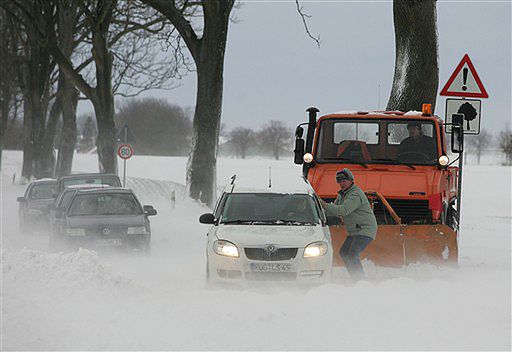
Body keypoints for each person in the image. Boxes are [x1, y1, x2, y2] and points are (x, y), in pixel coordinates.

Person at [319, 168, 377, 280]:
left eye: (344, 180)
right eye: (339, 181)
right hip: (355, 230)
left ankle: (360, 279)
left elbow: (343, 210)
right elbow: (333, 210)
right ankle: (356, 277)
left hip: (365, 230)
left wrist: (324, 204)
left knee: (352, 254)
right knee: (344, 252)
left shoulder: (355, 194)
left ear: (351, 180)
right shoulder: (342, 195)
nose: (342, 183)